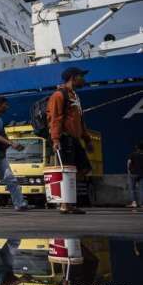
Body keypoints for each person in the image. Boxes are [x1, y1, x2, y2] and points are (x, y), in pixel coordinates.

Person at [47, 67, 93, 214]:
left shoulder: (75, 96)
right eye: (81, 76)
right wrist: (55, 139)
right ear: (73, 78)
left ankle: (68, 200)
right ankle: (66, 204)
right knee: (67, 171)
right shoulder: (59, 95)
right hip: (64, 138)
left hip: (75, 138)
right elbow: (55, 118)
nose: (84, 80)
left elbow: (80, 121)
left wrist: (87, 139)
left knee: (84, 168)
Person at [126, 142, 143, 209]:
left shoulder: (133, 154)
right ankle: (141, 204)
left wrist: (128, 171)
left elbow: (129, 162)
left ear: (137, 148)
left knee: (132, 188)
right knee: (141, 189)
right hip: (142, 174)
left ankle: (134, 203)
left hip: (133, 173)